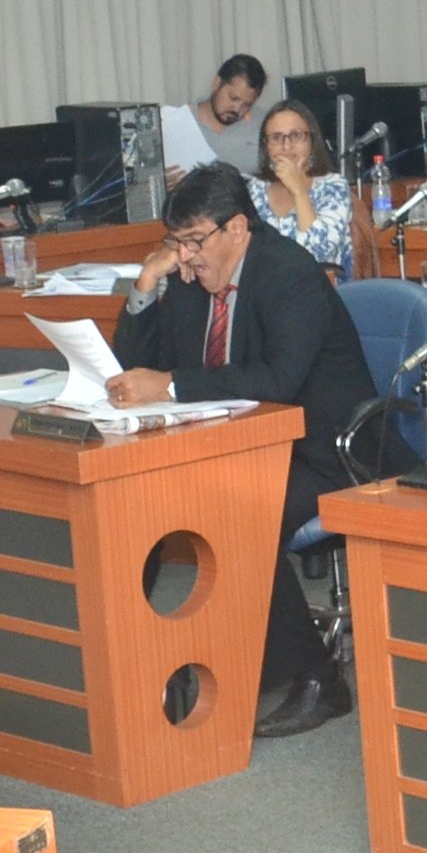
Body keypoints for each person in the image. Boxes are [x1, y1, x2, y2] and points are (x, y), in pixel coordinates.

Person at [106, 164, 378, 737]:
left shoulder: (290, 274)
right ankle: (147, 657)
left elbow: (278, 380)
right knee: (135, 503)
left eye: (194, 240)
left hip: (326, 451)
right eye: (176, 242)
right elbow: (136, 366)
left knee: (238, 516)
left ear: (236, 228)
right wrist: (147, 282)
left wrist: (170, 386)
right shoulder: (191, 276)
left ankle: (318, 679)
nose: (185, 255)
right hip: (237, 447)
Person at [252, 100, 354, 276]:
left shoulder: (333, 187)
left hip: (320, 288)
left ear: (312, 141)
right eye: (276, 138)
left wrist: (299, 191)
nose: (286, 146)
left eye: (296, 135)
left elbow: (319, 255)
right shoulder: (253, 190)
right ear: (266, 146)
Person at [166, 55, 267, 179]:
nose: (237, 109)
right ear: (217, 83)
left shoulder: (265, 124)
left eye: (247, 105)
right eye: (233, 98)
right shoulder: (175, 122)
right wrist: (161, 182)